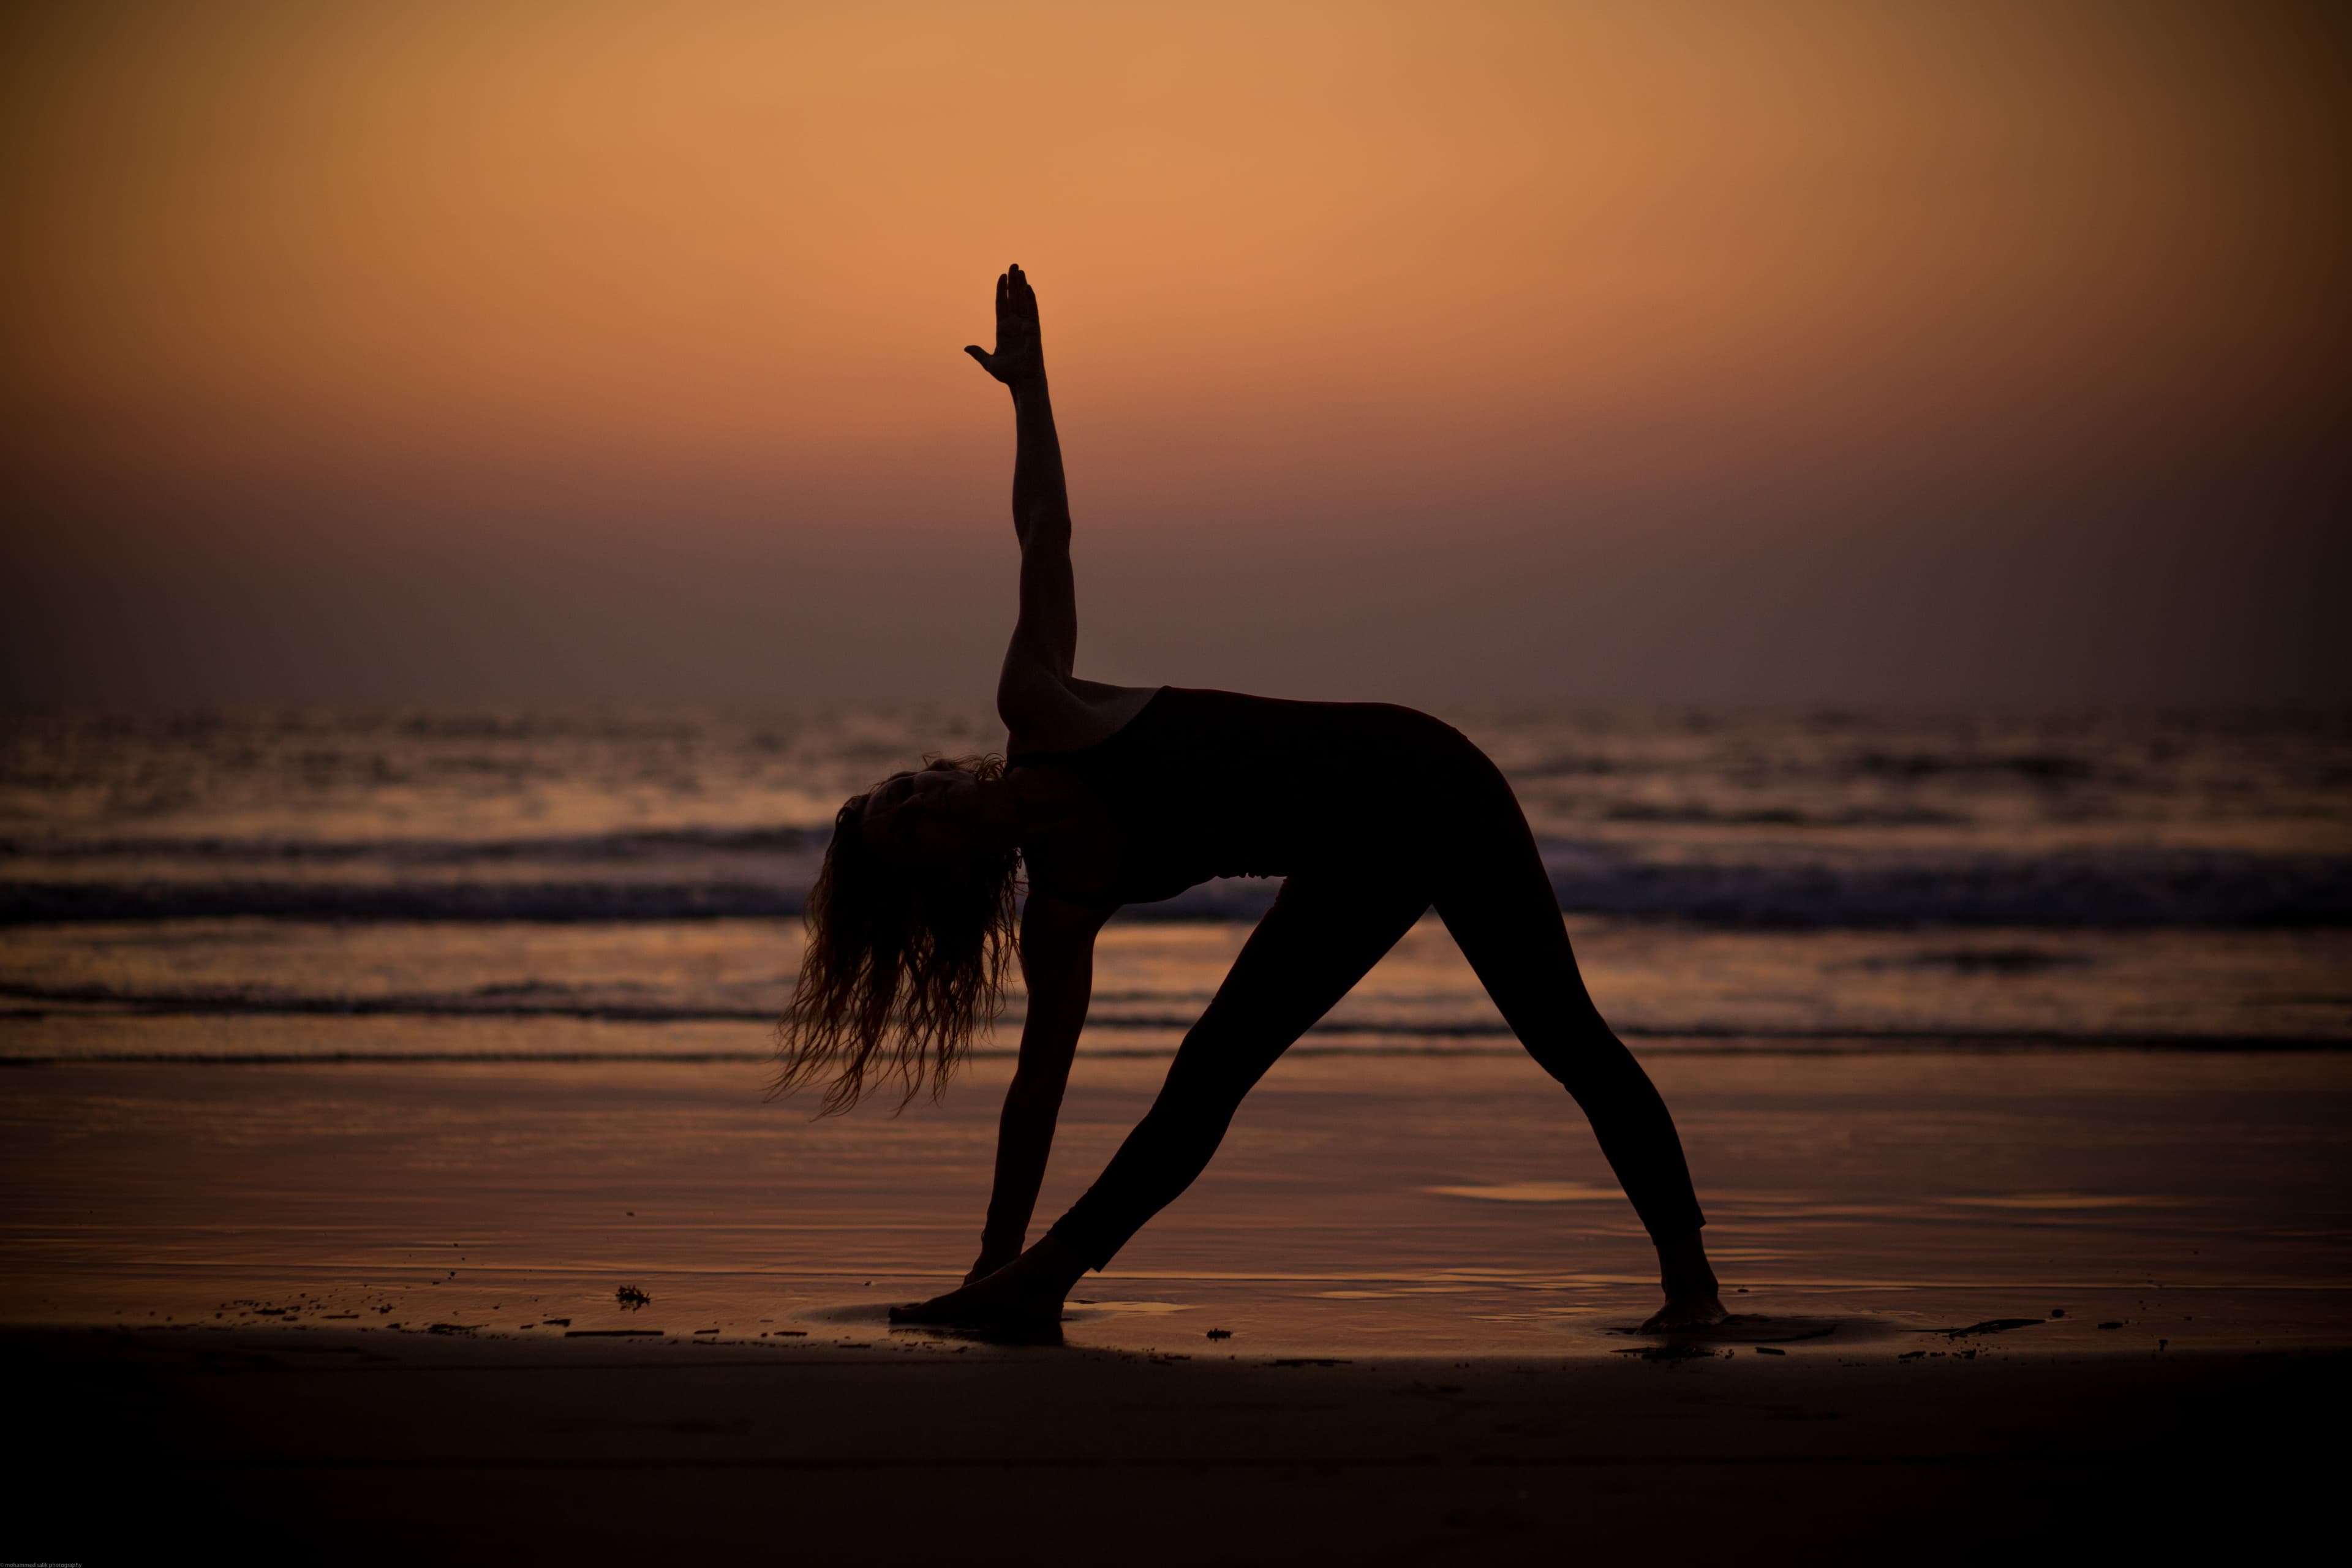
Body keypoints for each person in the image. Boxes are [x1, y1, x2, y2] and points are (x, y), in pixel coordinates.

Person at [775, 265, 1725, 1333]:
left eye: (909, 788)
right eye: (911, 831)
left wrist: (1030, 393)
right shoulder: (1063, 907)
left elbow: (1045, 530)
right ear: (943, 875)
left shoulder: (1040, 703)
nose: (927, 804)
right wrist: (987, 1255)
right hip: (1353, 867)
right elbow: (1036, 1092)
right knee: (1209, 1074)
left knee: (1563, 1035)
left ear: (939, 767)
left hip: (1430, 782)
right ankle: (1027, 1282)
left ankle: (1692, 1290)